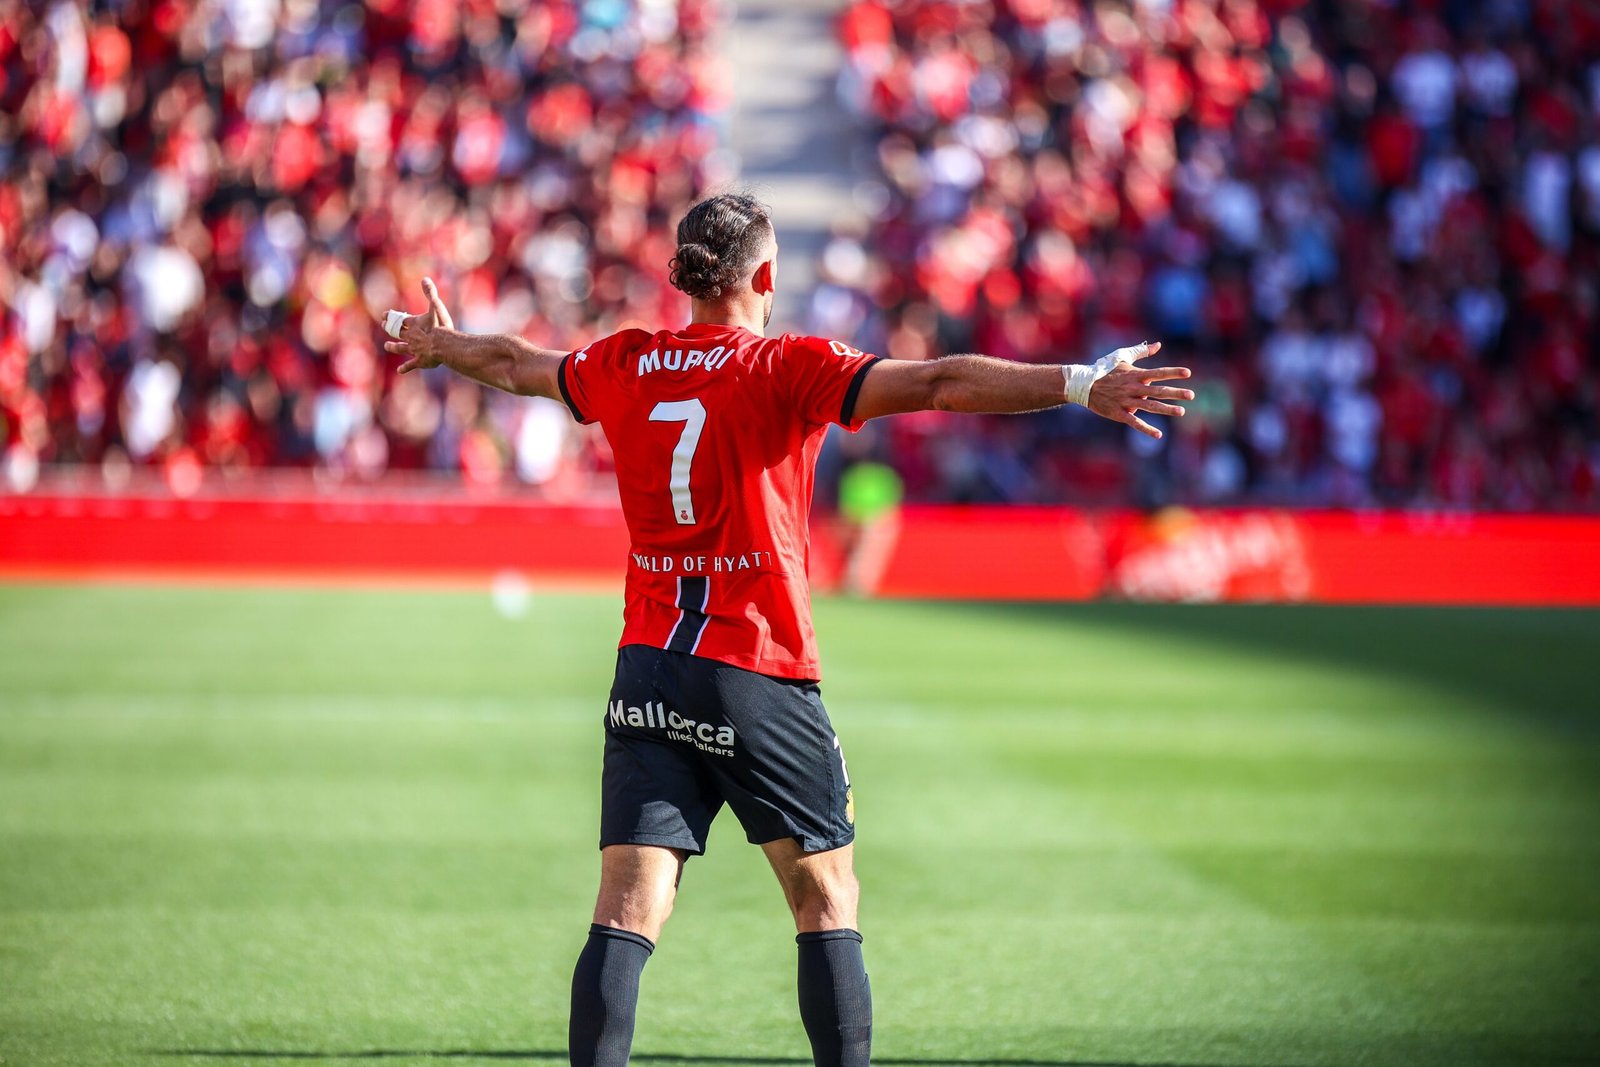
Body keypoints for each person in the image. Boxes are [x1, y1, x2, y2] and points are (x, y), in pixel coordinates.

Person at [380, 192, 1193, 1067]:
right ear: (765, 276)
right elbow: (938, 382)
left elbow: (515, 361)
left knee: (626, 905)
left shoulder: (625, 361)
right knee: (825, 896)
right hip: (756, 668)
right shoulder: (787, 366)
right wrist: (1076, 382)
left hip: (648, 667)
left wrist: (442, 345)